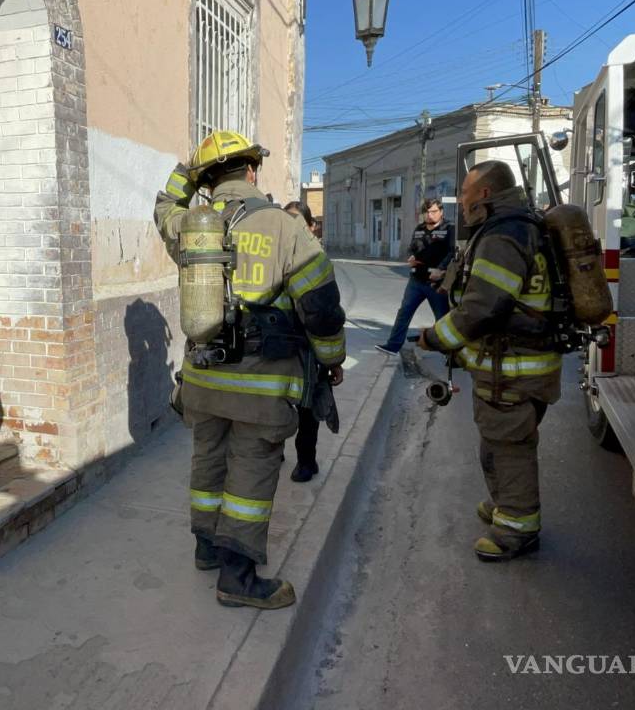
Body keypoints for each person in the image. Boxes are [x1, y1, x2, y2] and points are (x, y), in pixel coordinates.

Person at [155, 130, 346, 609]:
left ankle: (206, 548)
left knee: (208, 462)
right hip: (260, 385)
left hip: (201, 379)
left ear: (206, 181)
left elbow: (162, 205)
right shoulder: (285, 228)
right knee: (251, 475)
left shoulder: (190, 225)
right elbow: (321, 308)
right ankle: (236, 578)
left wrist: (187, 170)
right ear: (252, 172)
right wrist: (331, 359)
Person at [417, 161, 560, 562]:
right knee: (497, 442)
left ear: (483, 194)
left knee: (509, 446)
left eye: (465, 192)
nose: (459, 201)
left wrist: (436, 337)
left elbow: (483, 307)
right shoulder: (518, 226)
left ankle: (517, 529)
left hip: (513, 368)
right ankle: (505, 504)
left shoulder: (504, 235)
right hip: (513, 365)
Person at [376, 198, 454, 355]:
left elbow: (452, 252)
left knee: (443, 319)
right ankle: (393, 345)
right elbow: (412, 248)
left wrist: (441, 269)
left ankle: (451, 355)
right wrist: (411, 256)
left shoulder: (449, 228)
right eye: (427, 212)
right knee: (404, 312)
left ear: (441, 212)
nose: (430, 215)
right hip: (416, 281)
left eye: (433, 212)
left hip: (436, 283)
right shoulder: (419, 229)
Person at [283, 201, 324, 483]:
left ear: (311, 227)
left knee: (307, 406)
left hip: (308, 345)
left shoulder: (318, 260)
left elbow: (328, 316)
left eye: (298, 223)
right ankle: (275, 451)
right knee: (277, 402)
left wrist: (333, 359)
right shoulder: (275, 256)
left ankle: (306, 461)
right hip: (280, 342)